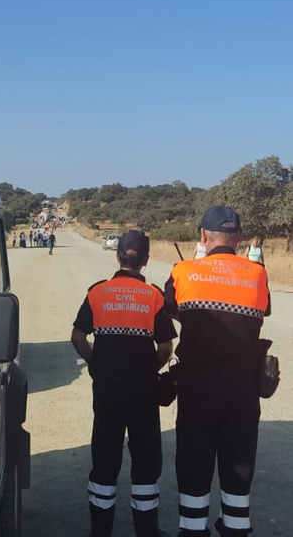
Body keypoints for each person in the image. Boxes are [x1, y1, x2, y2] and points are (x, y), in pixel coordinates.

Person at [164, 206, 270, 536]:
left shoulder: (182, 271)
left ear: (203, 235)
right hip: (243, 386)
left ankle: (193, 529)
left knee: (194, 462)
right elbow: (262, 311)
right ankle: (236, 528)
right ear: (239, 238)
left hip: (197, 384)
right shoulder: (256, 273)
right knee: (238, 465)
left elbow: (173, 309)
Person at [71, 230, 176, 537]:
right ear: (145, 260)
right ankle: (146, 530)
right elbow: (166, 347)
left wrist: (97, 364)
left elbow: (78, 337)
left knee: (104, 458)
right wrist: (147, 370)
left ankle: (100, 531)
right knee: (145, 461)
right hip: (143, 393)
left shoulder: (97, 293)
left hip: (107, 391)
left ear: (117, 255)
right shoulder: (154, 297)